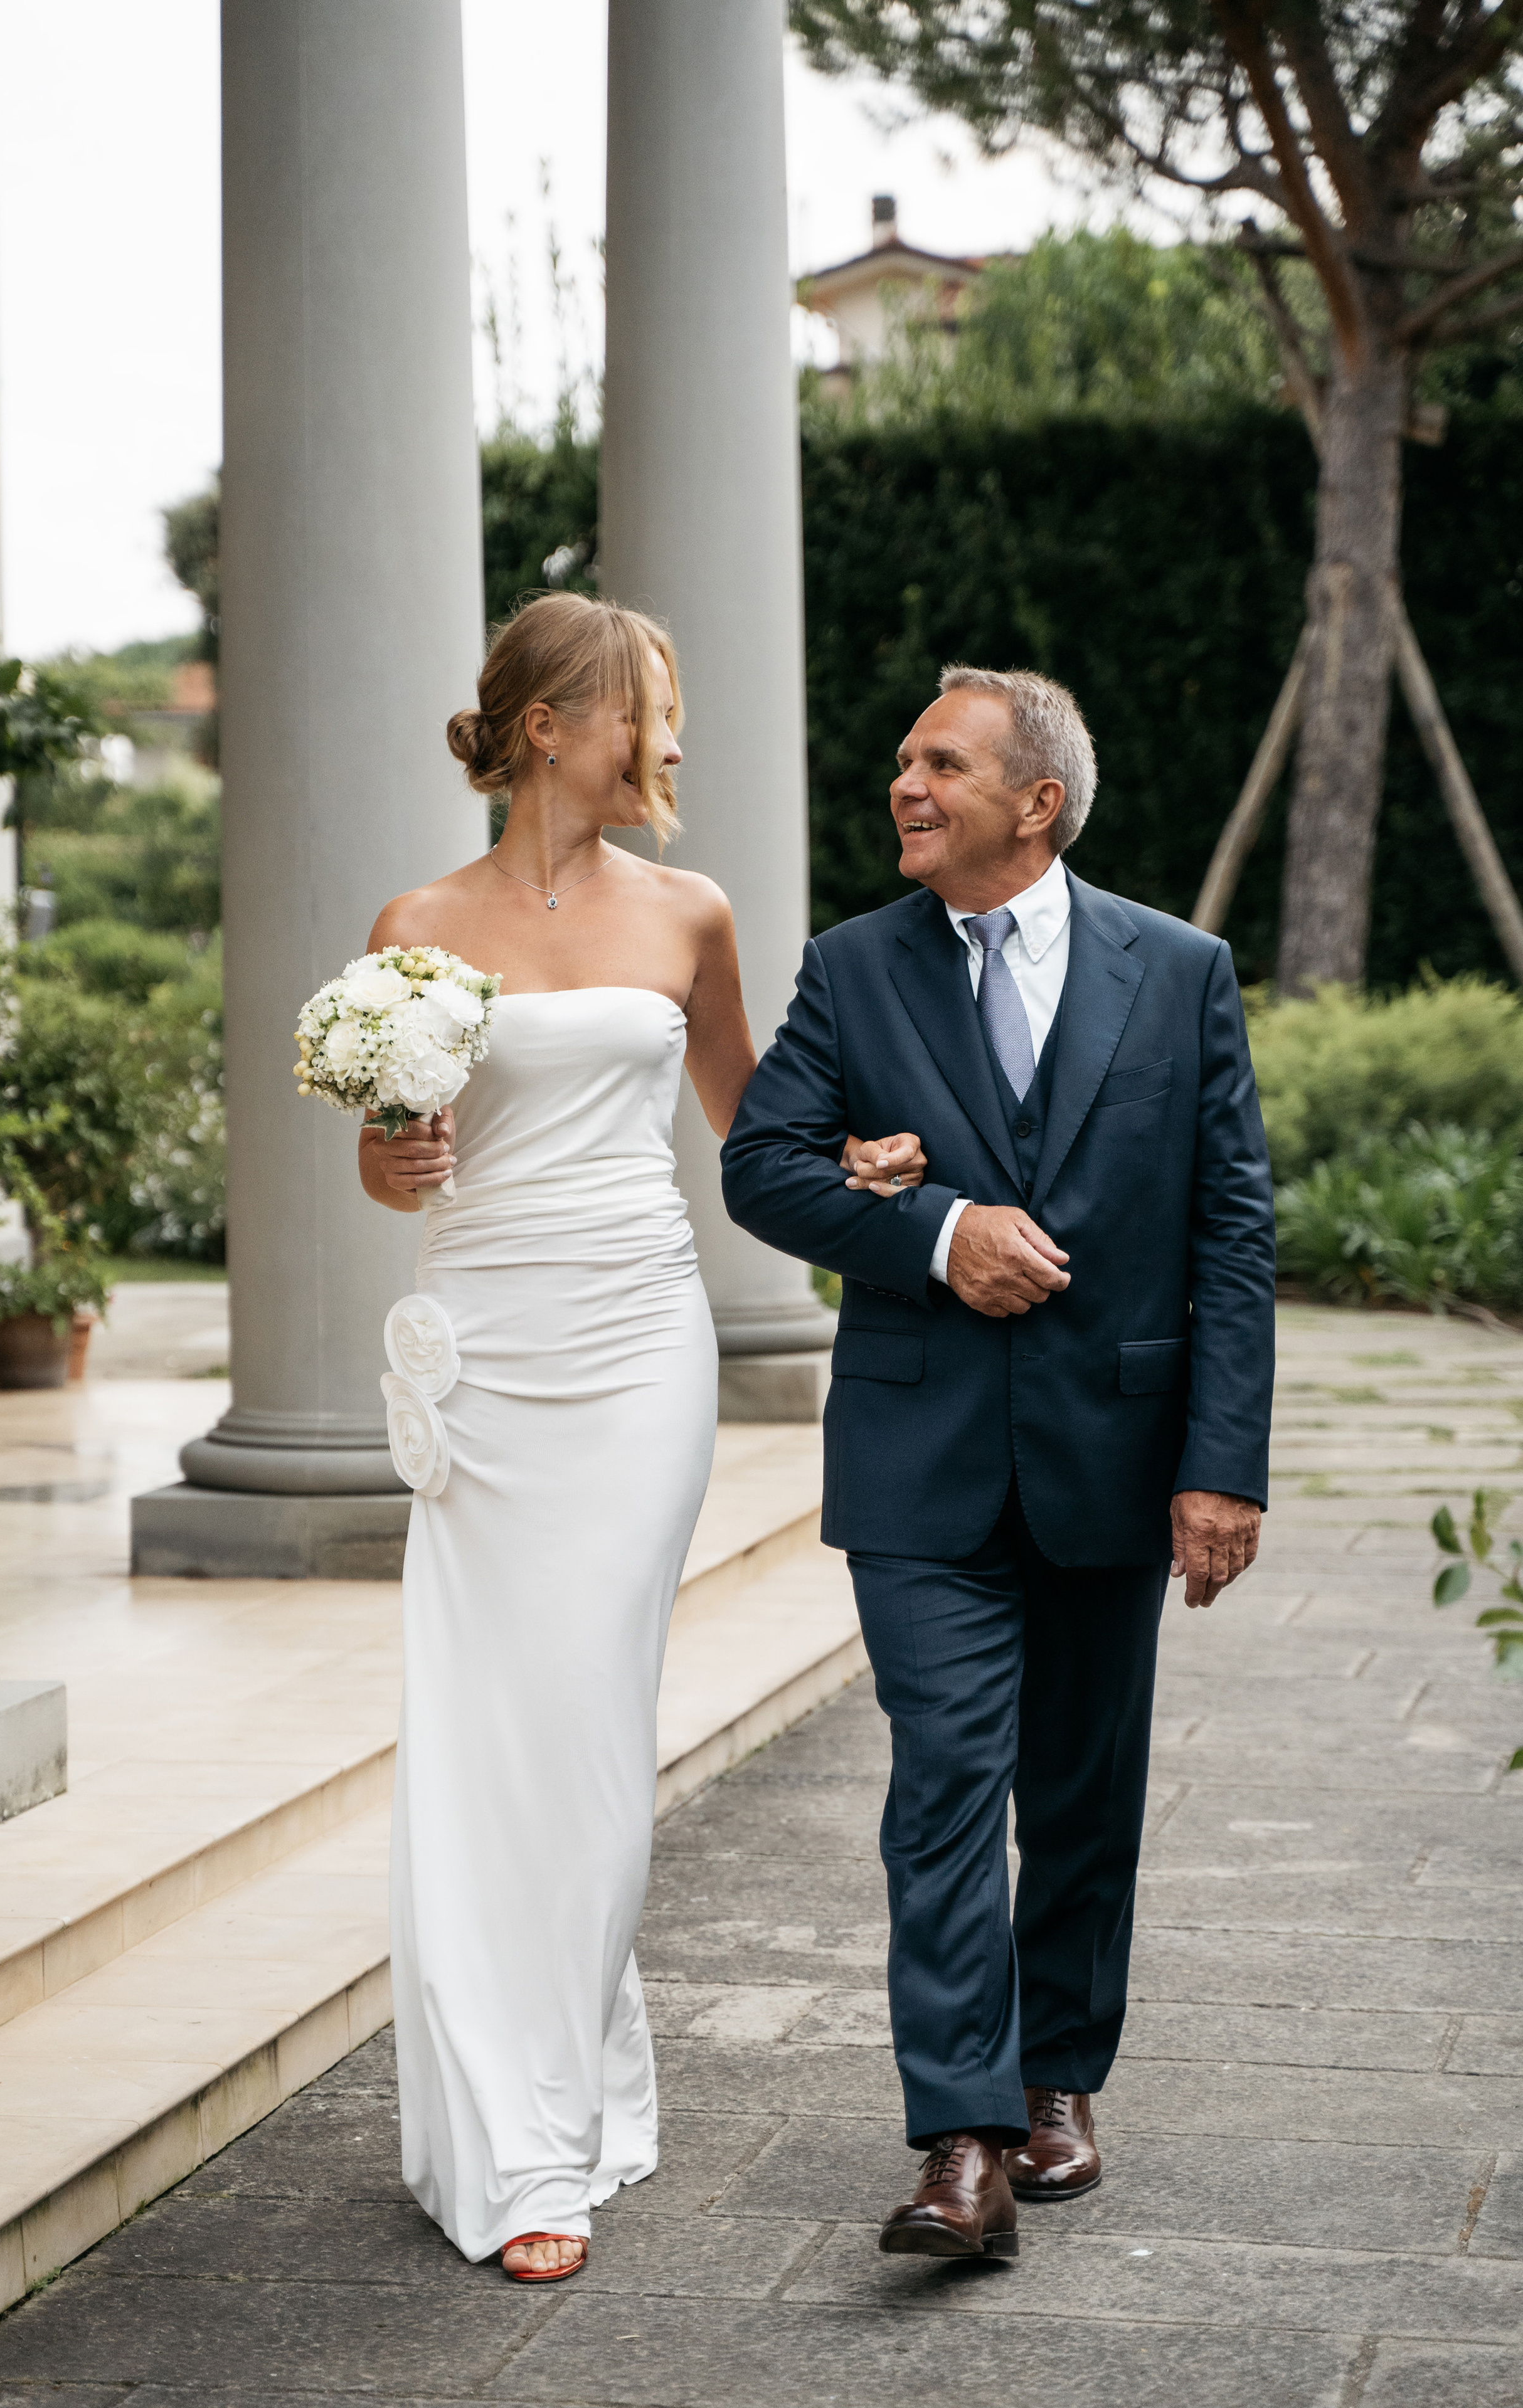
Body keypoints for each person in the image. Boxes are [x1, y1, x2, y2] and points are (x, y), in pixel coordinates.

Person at [358, 593, 918, 2283]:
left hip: (635, 1353)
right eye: (645, 711)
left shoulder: (691, 911)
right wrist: (391, 1161)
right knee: (483, 1731)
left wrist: (860, 1168)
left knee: (594, 1725)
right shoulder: (414, 923)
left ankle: (549, 2129)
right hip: (489, 1358)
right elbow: (391, 1151)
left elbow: (754, 1127)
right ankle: (523, 2115)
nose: (669, 742)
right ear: (550, 726)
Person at [720, 665, 1275, 2261]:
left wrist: (1220, 1464)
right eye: (902, 759)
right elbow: (761, 1167)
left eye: (940, 763)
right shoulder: (850, 967)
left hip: (1115, 1451)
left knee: (1083, 1790)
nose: (904, 783)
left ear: (1036, 803)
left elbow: (1230, 1230)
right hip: (921, 1458)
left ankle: (1056, 2079)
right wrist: (934, 1230)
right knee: (946, 1780)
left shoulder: (1178, 971)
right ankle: (958, 2140)